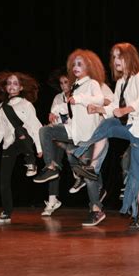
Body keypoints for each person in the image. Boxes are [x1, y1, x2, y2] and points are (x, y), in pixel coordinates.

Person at [73, 43, 139, 229]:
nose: (116, 61)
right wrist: (99, 108)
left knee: (136, 173)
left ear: (130, 58)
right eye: (114, 57)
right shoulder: (121, 82)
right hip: (129, 126)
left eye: (120, 57)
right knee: (106, 124)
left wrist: (125, 109)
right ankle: (93, 166)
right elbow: (113, 107)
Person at [34, 49, 106, 227]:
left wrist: (79, 98)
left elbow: (99, 99)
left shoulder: (92, 84)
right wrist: (54, 111)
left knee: (88, 174)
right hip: (74, 131)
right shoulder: (75, 87)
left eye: (80, 64)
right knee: (46, 131)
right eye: (73, 64)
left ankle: (96, 210)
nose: (75, 67)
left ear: (88, 66)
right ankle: (51, 166)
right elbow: (68, 107)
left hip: (88, 135)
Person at [0, 71, 43, 223]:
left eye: (15, 83)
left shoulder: (26, 104)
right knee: (4, 180)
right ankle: (6, 212)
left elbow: (35, 125)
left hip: (25, 140)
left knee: (20, 130)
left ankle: (31, 162)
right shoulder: (2, 107)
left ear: (21, 88)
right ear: (5, 88)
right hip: (10, 144)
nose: (12, 86)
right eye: (9, 83)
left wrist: (39, 147)